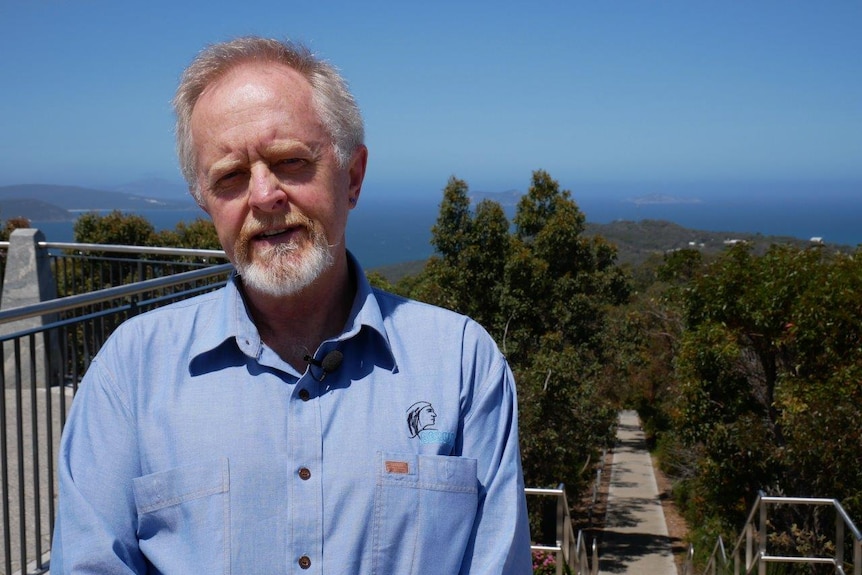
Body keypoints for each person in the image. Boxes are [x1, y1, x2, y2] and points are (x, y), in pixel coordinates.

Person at [51, 36, 532, 574]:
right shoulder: (132, 372)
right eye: (230, 176)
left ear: (352, 177)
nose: (264, 196)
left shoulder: (462, 364)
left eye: (291, 162)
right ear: (204, 200)